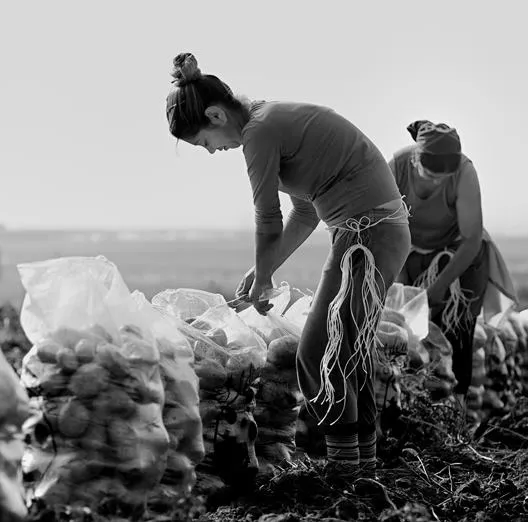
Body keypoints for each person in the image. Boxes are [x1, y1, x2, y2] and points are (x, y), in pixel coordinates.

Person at [165, 52, 410, 489]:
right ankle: (364, 469)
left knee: (317, 353)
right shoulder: (269, 120)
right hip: (369, 232)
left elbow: (267, 217)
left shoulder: (260, 134)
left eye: (205, 142)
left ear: (216, 115)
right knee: (346, 349)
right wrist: (263, 268)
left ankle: (345, 474)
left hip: (366, 237)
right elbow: (304, 213)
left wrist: (263, 278)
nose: (212, 152)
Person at [388, 120, 518, 412]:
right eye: (430, 175)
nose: (436, 182)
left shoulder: (464, 171)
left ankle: (456, 412)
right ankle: (415, 406)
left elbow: (471, 240)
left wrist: (439, 286)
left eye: (442, 177)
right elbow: (387, 229)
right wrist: (401, 282)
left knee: (456, 330)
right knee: (407, 332)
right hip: (409, 253)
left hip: (461, 257)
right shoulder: (396, 167)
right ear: (414, 159)